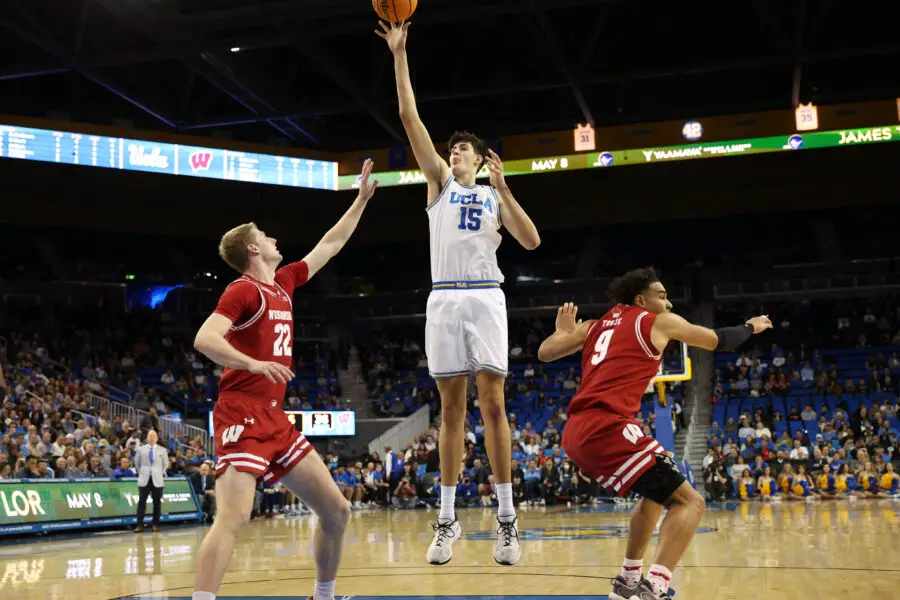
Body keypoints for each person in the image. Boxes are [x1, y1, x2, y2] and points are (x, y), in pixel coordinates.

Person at [377, 20, 540, 567]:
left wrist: (505, 187)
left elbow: (531, 240)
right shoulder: (439, 185)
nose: (458, 153)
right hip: (443, 298)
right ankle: (446, 521)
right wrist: (400, 55)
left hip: (486, 297)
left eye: (466, 149)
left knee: (493, 404)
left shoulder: (495, 198)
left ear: (482, 158)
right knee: (451, 411)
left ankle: (507, 519)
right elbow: (409, 117)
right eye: (455, 150)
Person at [190, 161, 379, 600]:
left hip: (275, 418)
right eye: (267, 236)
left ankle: (323, 596)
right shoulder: (243, 290)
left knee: (336, 511)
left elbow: (329, 245)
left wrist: (361, 201)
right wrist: (253, 364)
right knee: (233, 519)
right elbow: (205, 337)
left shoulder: (284, 283)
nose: (276, 239)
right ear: (253, 249)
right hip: (241, 412)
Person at [537, 267, 771, 600]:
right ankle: (655, 587)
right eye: (661, 295)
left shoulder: (595, 325)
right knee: (691, 502)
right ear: (640, 299)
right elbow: (719, 340)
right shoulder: (657, 321)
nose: (668, 302)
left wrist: (564, 333)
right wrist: (752, 326)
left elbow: (545, 352)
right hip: (607, 426)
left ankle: (628, 581)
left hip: (576, 431)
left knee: (657, 494)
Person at [134, 429, 168, 533]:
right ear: (147, 438)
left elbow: (165, 465)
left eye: (154, 436)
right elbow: (137, 464)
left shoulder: (162, 450)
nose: (152, 437)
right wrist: (144, 472)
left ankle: (156, 524)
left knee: (157, 503)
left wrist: (158, 472)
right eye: (150, 436)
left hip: (157, 479)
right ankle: (139, 525)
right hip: (144, 478)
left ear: (157, 438)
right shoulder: (140, 449)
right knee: (141, 502)